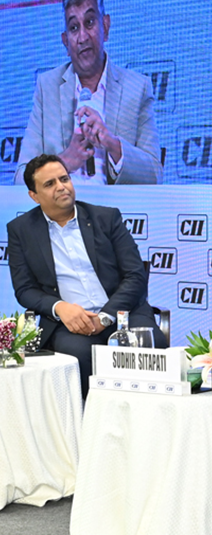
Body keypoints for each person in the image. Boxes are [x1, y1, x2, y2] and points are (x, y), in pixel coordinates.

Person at [6, 154, 167, 398]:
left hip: (123, 314)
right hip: (70, 323)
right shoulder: (21, 230)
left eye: (64, 179)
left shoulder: (106, 218)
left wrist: (105, 317)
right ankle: (88, 419)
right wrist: (60, 308)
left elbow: (135, 275)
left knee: (145, 348)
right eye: (49, 184)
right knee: (75, 357)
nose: (61, 187)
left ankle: (146, 417)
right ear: (34, 196)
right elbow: (24, 289)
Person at [14, 0, 161, 186]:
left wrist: (112, 145)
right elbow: (20, 179)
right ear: (66, 42)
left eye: (90, 22)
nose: (82, 37)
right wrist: (63, 162)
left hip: (114, 207)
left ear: (106, 27)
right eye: (74, 27)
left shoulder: (137, 88)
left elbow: (155, 175)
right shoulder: (47, 88)